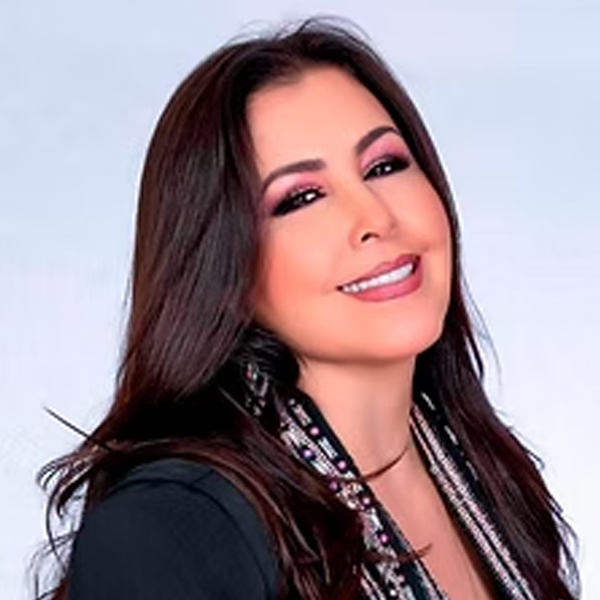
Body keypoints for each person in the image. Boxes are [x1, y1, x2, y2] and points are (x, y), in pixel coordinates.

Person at [37, 18, 579, 600]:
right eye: (301, 198)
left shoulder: (487, 476)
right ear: (222, 264)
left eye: (384, 166)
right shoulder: (174, 526)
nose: (375, 218)